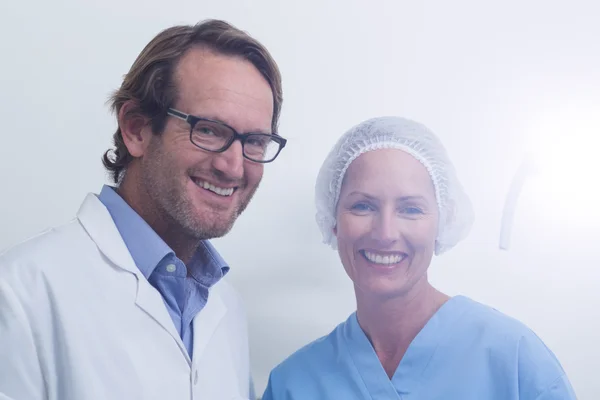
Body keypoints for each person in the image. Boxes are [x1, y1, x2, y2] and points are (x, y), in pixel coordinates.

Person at [0, 19, 286, 400]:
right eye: (209, 130)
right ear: (136, 129)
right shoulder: (20, 294)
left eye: (255, 141)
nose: (233, 167)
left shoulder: (227, 310)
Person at [262, 117, 576, 399]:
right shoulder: (293, 384)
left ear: (442, 222)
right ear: (333, 219)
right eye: (362, 206)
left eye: (411, 209)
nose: (385, 233)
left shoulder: (514, 360)